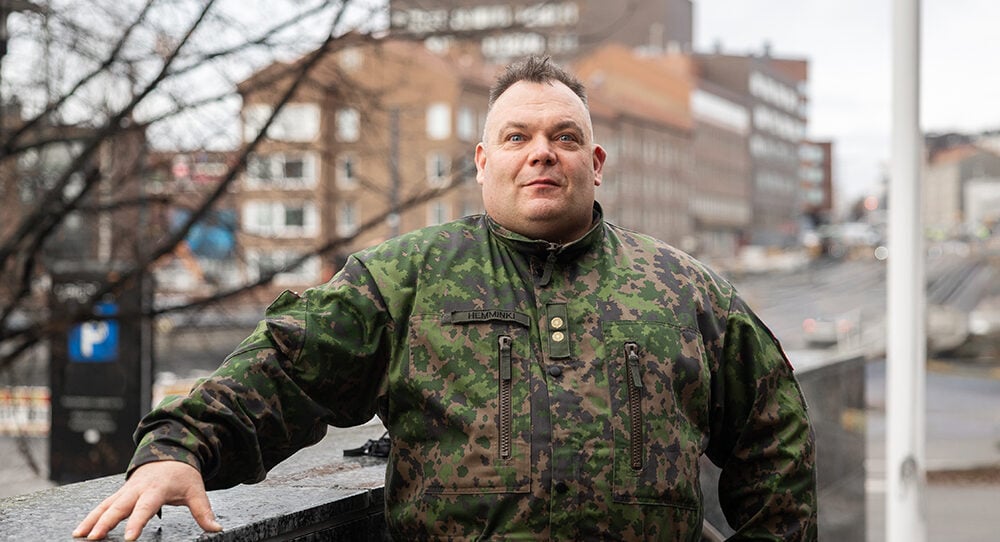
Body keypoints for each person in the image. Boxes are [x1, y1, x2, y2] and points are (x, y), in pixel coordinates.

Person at [75, 55, 817, 541]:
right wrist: (178, 449)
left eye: (564, 137)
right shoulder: (405, 280)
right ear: (483, 161)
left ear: (595, 163)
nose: (541, 152)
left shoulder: (685, 291)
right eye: (518, 137)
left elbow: (773, 439)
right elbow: (286, 370)